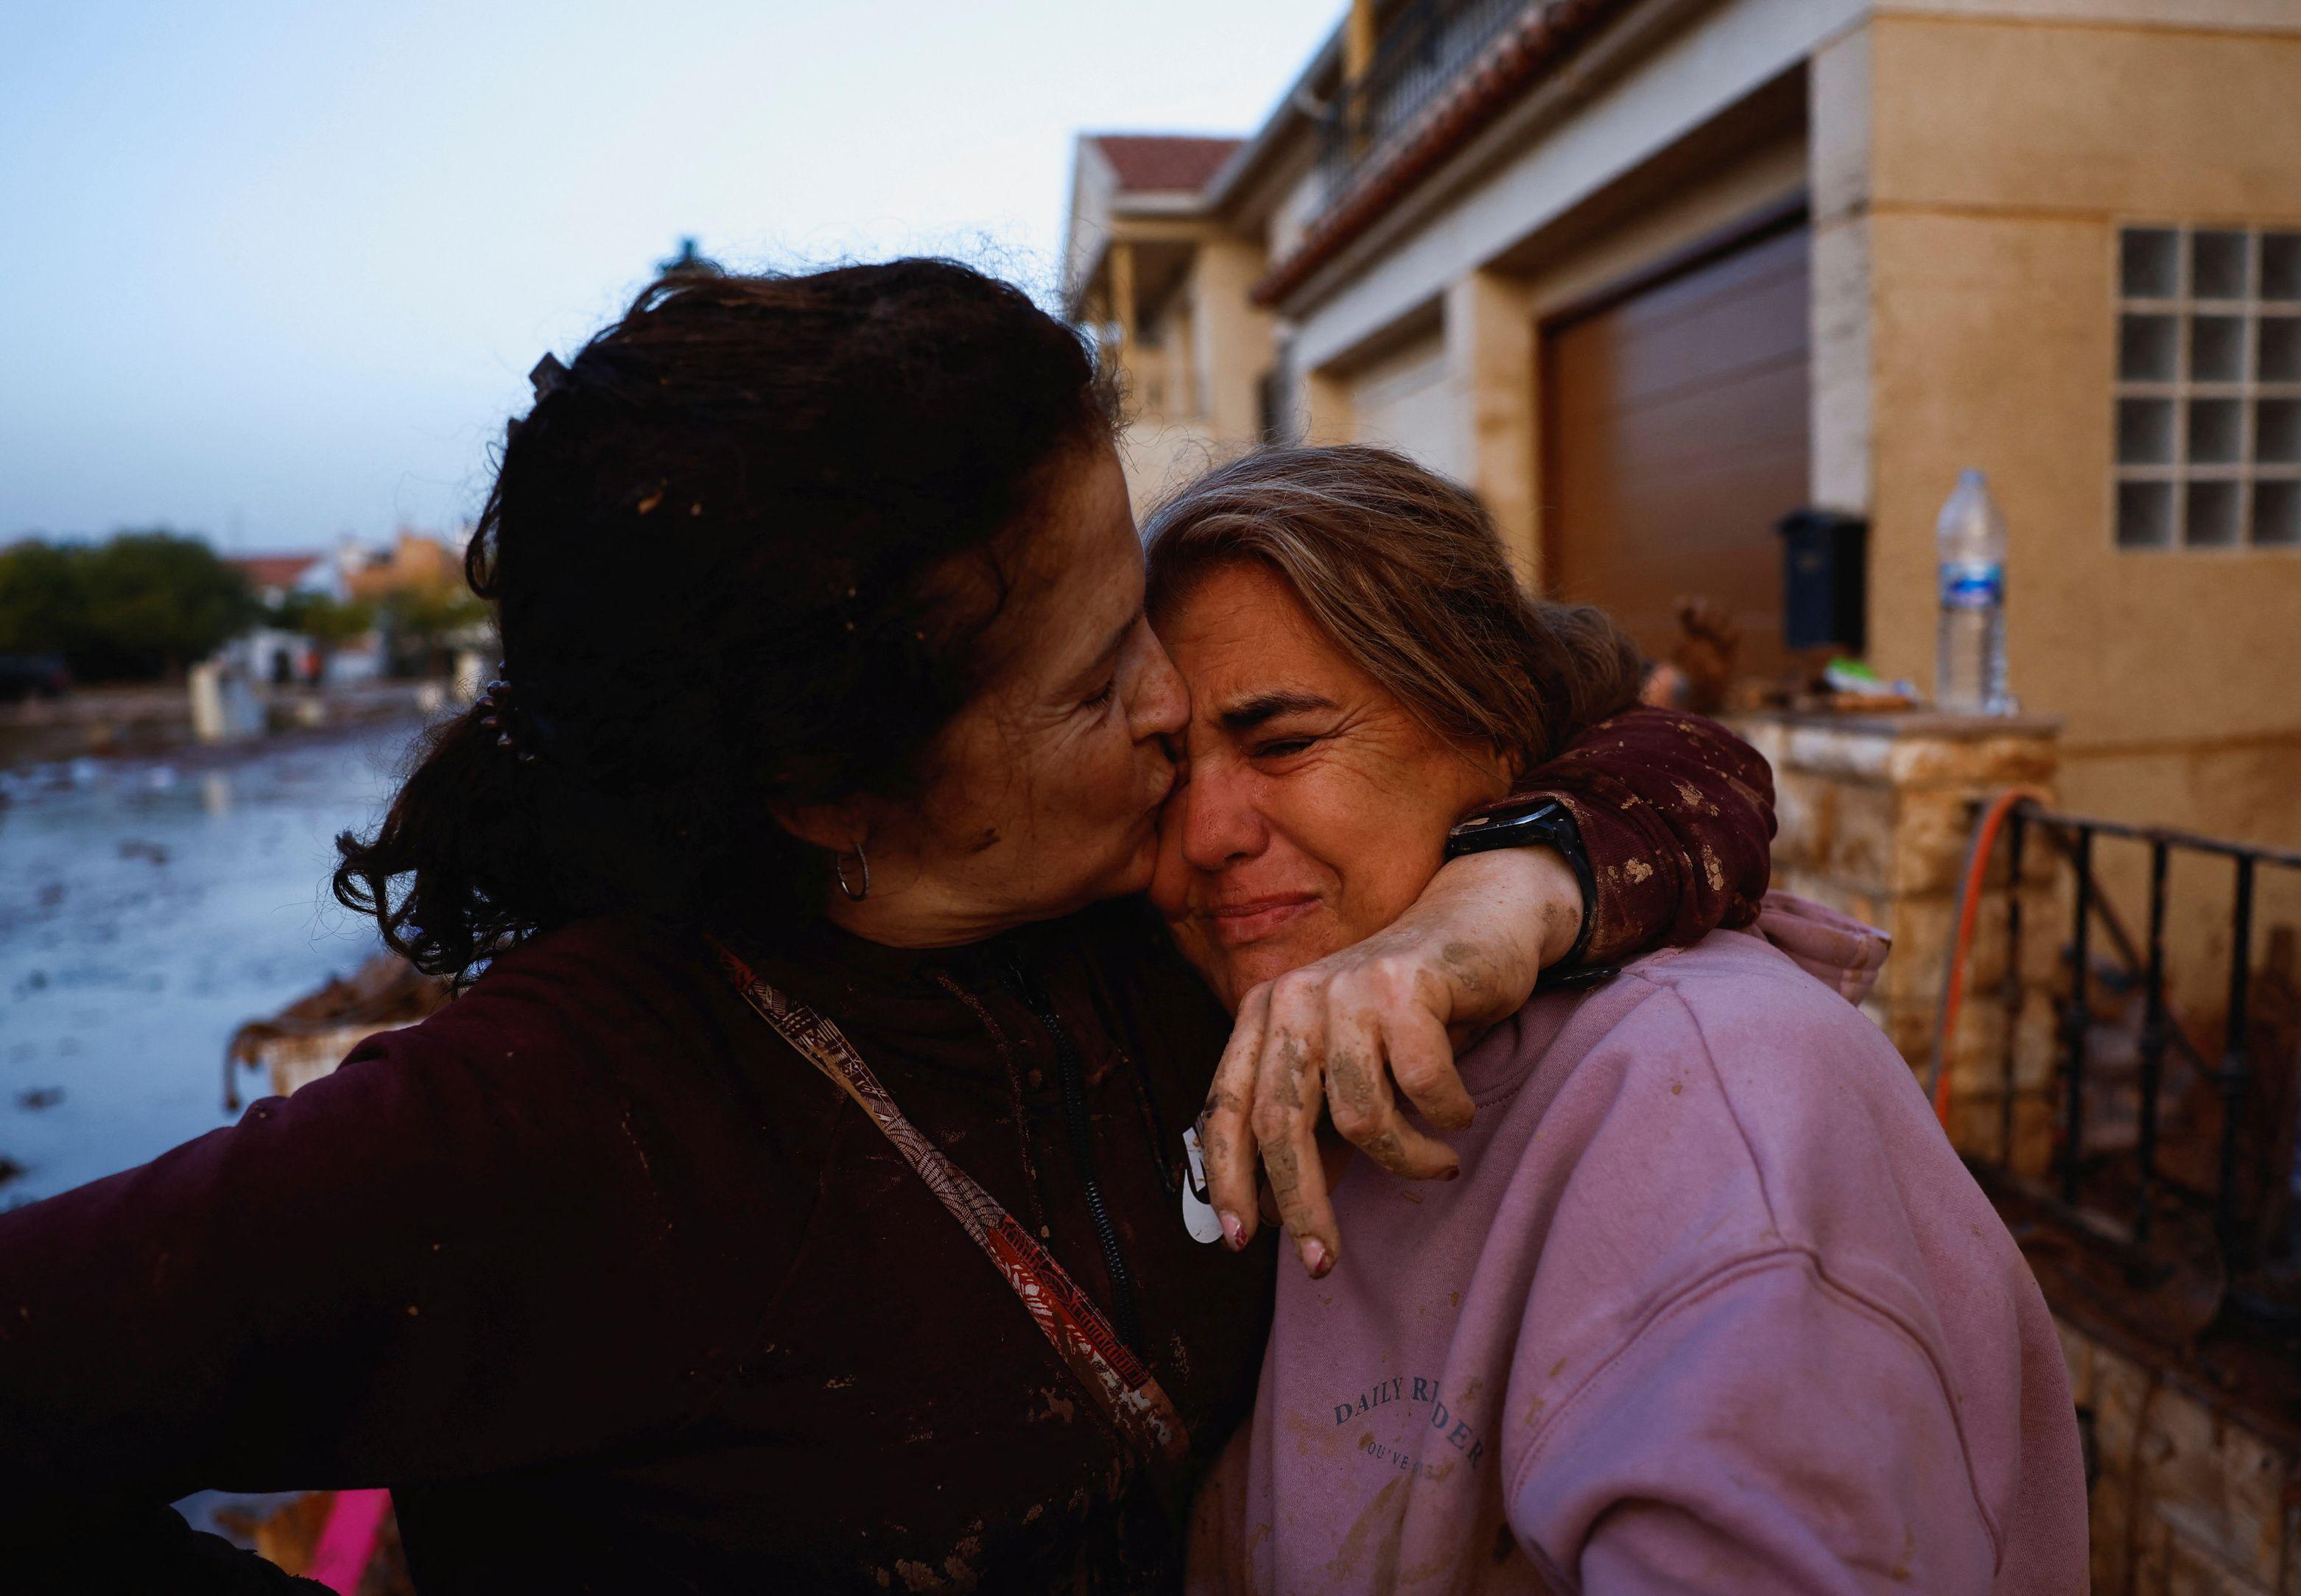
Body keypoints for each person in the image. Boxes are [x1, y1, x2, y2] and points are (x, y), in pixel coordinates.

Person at [0, 265, 1776, 1594]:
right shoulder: (565, 1109)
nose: (1174, 708)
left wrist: (1490, 897)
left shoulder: (1135, 903)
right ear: (828, 791)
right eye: (1097, 683)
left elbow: (1646, 734)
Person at [1148, 447, 2088, 1595]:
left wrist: (1510, 883)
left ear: (1492, 729)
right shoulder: (1225, 1026)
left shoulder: (1708, 1106)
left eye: (1282, 743)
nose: (1203, 834)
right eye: (1161, 770)